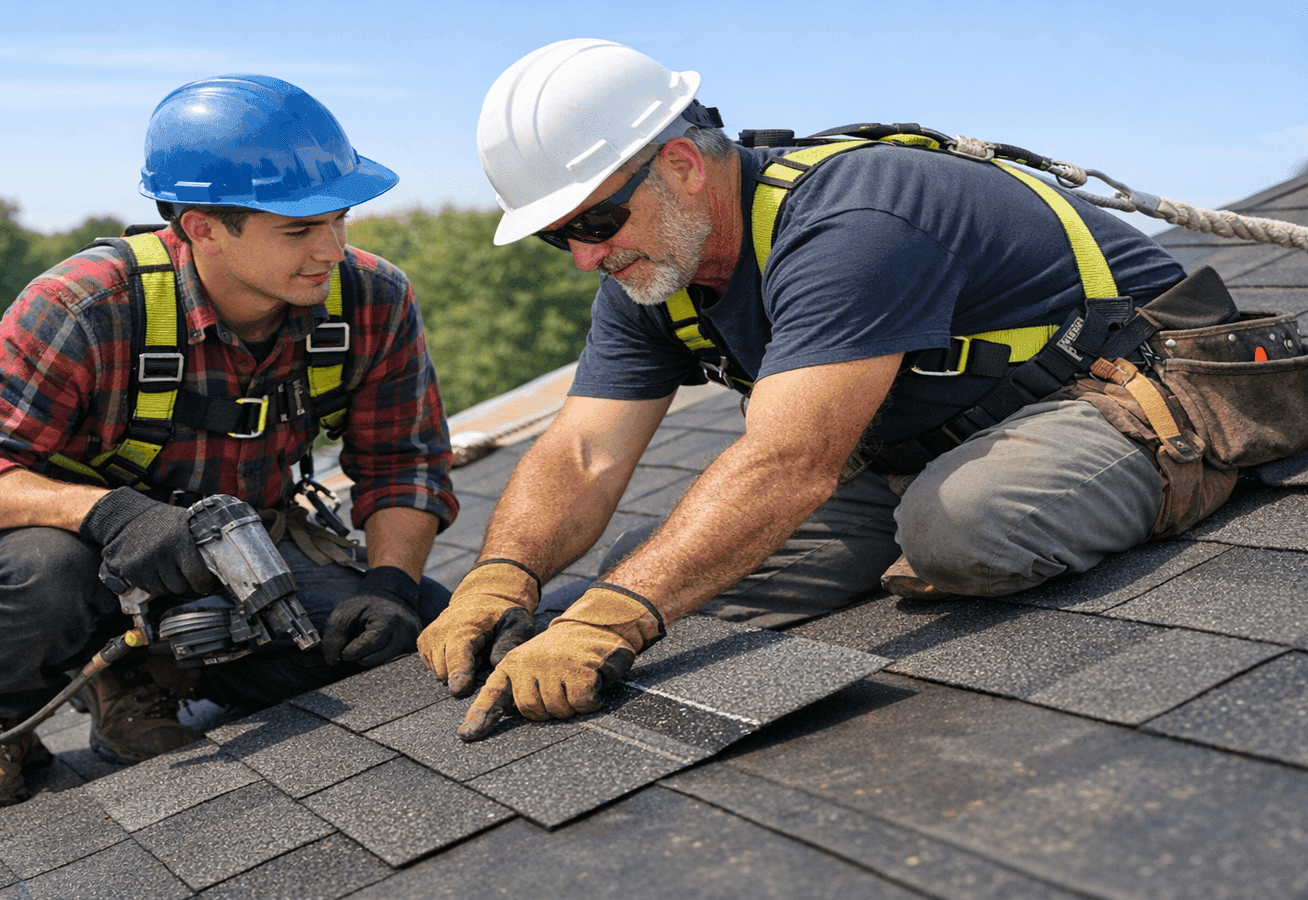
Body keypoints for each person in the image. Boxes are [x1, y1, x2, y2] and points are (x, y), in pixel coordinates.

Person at [421, 38, 1214, 741]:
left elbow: (791, 461)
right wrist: (504, 572)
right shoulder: (655, 276)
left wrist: (613, 618)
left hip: (1121, 388)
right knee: (651, 573)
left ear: (683, 167)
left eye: (594, 223)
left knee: (964, 526)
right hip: (915, 444)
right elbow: (585, 451)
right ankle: (916, 513)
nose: (583, 258)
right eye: (560, 235)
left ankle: (1183, 468)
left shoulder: (852, 220)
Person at [0, 74, 457, 816]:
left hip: (227, 558)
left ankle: (150, 676)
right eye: (298, 229)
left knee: (401, 633)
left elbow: (404, 463)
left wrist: (389, 586)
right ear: (201, 228)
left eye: (339, 219)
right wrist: (111, 517)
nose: (331, 249)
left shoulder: (369, 302)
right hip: (65, 556)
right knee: (44, 566)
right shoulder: (89, 304)